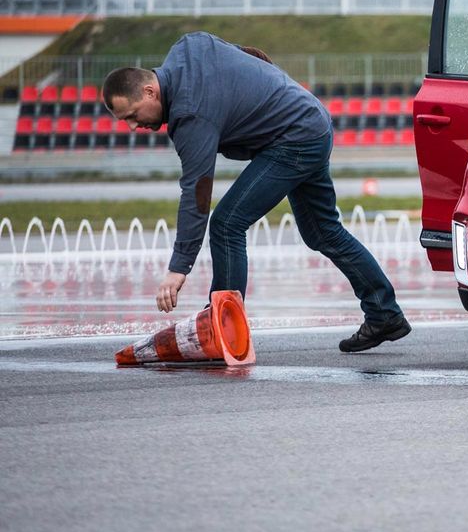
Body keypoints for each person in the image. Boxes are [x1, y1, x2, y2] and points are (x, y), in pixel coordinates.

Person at [101, 32, 410, 353]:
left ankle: (224, 331)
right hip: (310, 120)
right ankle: (384, 313)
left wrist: (179, 268)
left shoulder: (190, 114)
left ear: (150, 92)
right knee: (323, 231)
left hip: (295, 137)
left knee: (226, 224)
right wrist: (274, 93)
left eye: (134, 115)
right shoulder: (187, 46)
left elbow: (197, 192)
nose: (134, 127)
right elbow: (250, 55)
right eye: (126, 121)